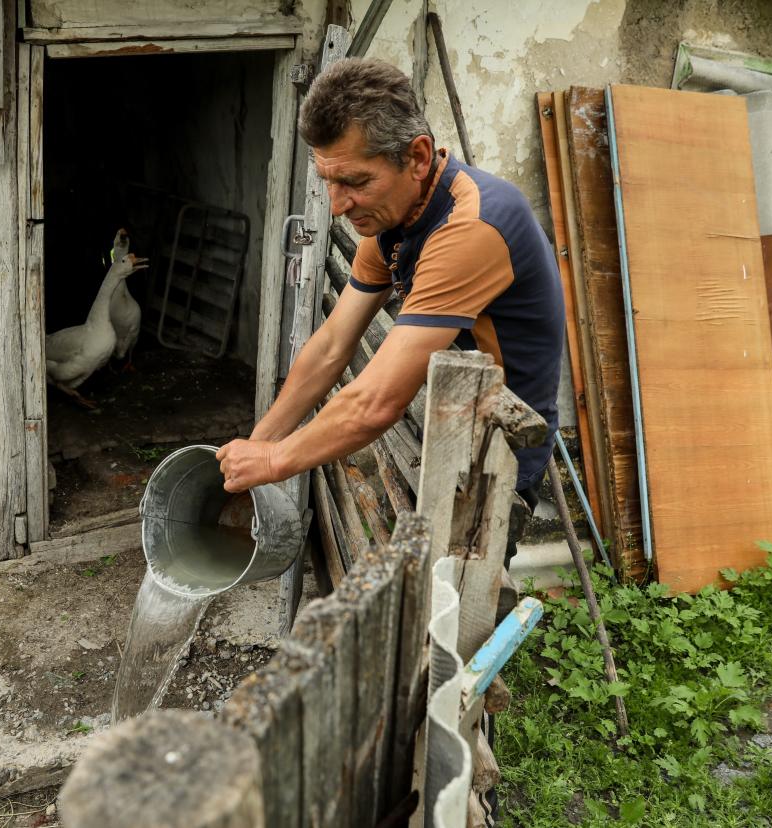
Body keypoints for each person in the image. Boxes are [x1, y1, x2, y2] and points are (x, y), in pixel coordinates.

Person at [217, 57, 564, 540]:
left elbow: (377, 403)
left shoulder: (472, 228)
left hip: (495, 447)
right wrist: (260, 443)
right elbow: (333, 344)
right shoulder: (396, 220)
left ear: (418, 157)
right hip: (446, 418)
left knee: (450, 607)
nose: (338, 205)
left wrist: (275, 461)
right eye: (329, 182)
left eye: (355, 182)